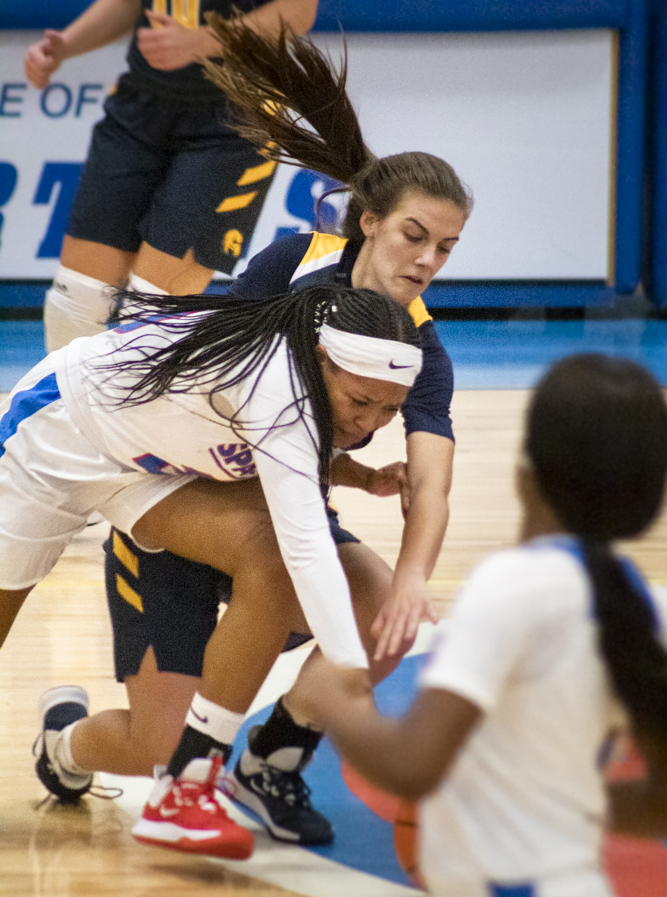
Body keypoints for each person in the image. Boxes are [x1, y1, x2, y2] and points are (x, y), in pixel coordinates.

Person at [34, 22, 473, 848]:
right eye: (415, 235)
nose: (426, 260)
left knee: (384, 607)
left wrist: (414, 577)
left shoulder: (424, 350)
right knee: (153, 747)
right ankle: (63, 744)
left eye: (445, 248)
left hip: (281, 519)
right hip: (180, 503)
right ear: (368, 222)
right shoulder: (286, 266)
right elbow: (221, 406)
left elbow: (433, 481)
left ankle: (269, 760)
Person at [293, 352, 667, 897]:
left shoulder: (511, 587)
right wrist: (554, 805)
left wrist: (332, 697)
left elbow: (412, 765)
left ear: (525, 475)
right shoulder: (638, 605)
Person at [1, 284, 421, 858]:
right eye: (361, 402)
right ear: (323, 361)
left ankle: (189, 782)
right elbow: (308, 545)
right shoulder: (279, 384)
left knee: (275, 561)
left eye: (389, 410)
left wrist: (351, 473)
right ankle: (105, 752)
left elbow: (268, 440)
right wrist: (349, 668)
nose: (370, 421)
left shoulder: (319, 373)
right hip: (55, 434)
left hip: (153, 471)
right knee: (294, 558)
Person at [24, 0, 318, 352]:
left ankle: (129, 405)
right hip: (141, 102)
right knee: (76, 300)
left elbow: (298, 11)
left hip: (236, 117)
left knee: (150, 312)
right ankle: (64, 404)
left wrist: (203, 40)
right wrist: (67, 45)